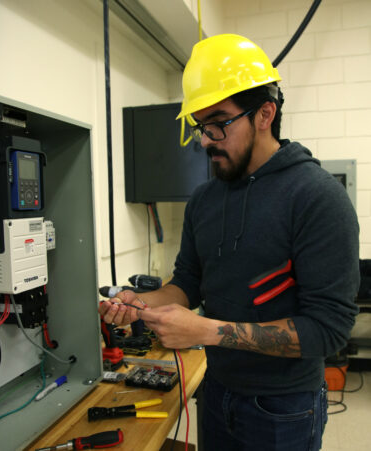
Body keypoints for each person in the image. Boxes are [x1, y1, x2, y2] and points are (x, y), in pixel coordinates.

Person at [99, 34, 360, 451]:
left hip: (284, 409)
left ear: (265, 114)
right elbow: (187, 283)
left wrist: (206, 331)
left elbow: (328, 331)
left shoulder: (317, 197)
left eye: (219, 122)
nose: (205, 140)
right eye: (200, 125)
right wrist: (141, 305)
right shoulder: (205, 198)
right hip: (217, 393)